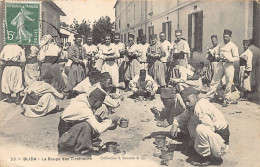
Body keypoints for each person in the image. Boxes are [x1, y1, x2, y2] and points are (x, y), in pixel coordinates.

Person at [170, 87, 230, 166]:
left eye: (188, 100)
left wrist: (197, 143)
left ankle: (206, 158)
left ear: (197, 97)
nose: (187, 104)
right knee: (189, 119)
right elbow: (181, 118)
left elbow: (208, 128)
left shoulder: (201, 107)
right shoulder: (193, 107)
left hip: (220, 145)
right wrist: (175, 125)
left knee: (200, 128)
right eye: (185, 102)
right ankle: (201, 149)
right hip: (214, 138)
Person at [58, 88, 119, 155]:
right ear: (95, 100)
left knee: (95, 119)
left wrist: (105, 121)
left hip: (68, 132)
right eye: (100, 103)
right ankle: (82, 152)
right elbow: (99, 129)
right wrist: (111, 121)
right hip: (64, 140)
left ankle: (88, 142)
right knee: (86, 126)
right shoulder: (85, 109)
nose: (100, 106)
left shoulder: (83, 99)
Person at [206, 29, 239, 107]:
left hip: (229, 65)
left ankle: (226, 99)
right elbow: (215, 52)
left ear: (230, 37)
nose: (225, 38)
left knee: (228, 83)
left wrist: (230, 59)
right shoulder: (220, 45)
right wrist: (217, 55)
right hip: (220, 64)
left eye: (227, 37)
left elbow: (237, 58)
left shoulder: (233, 46)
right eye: (224, 37)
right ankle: (209, 97)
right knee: (214, 80)